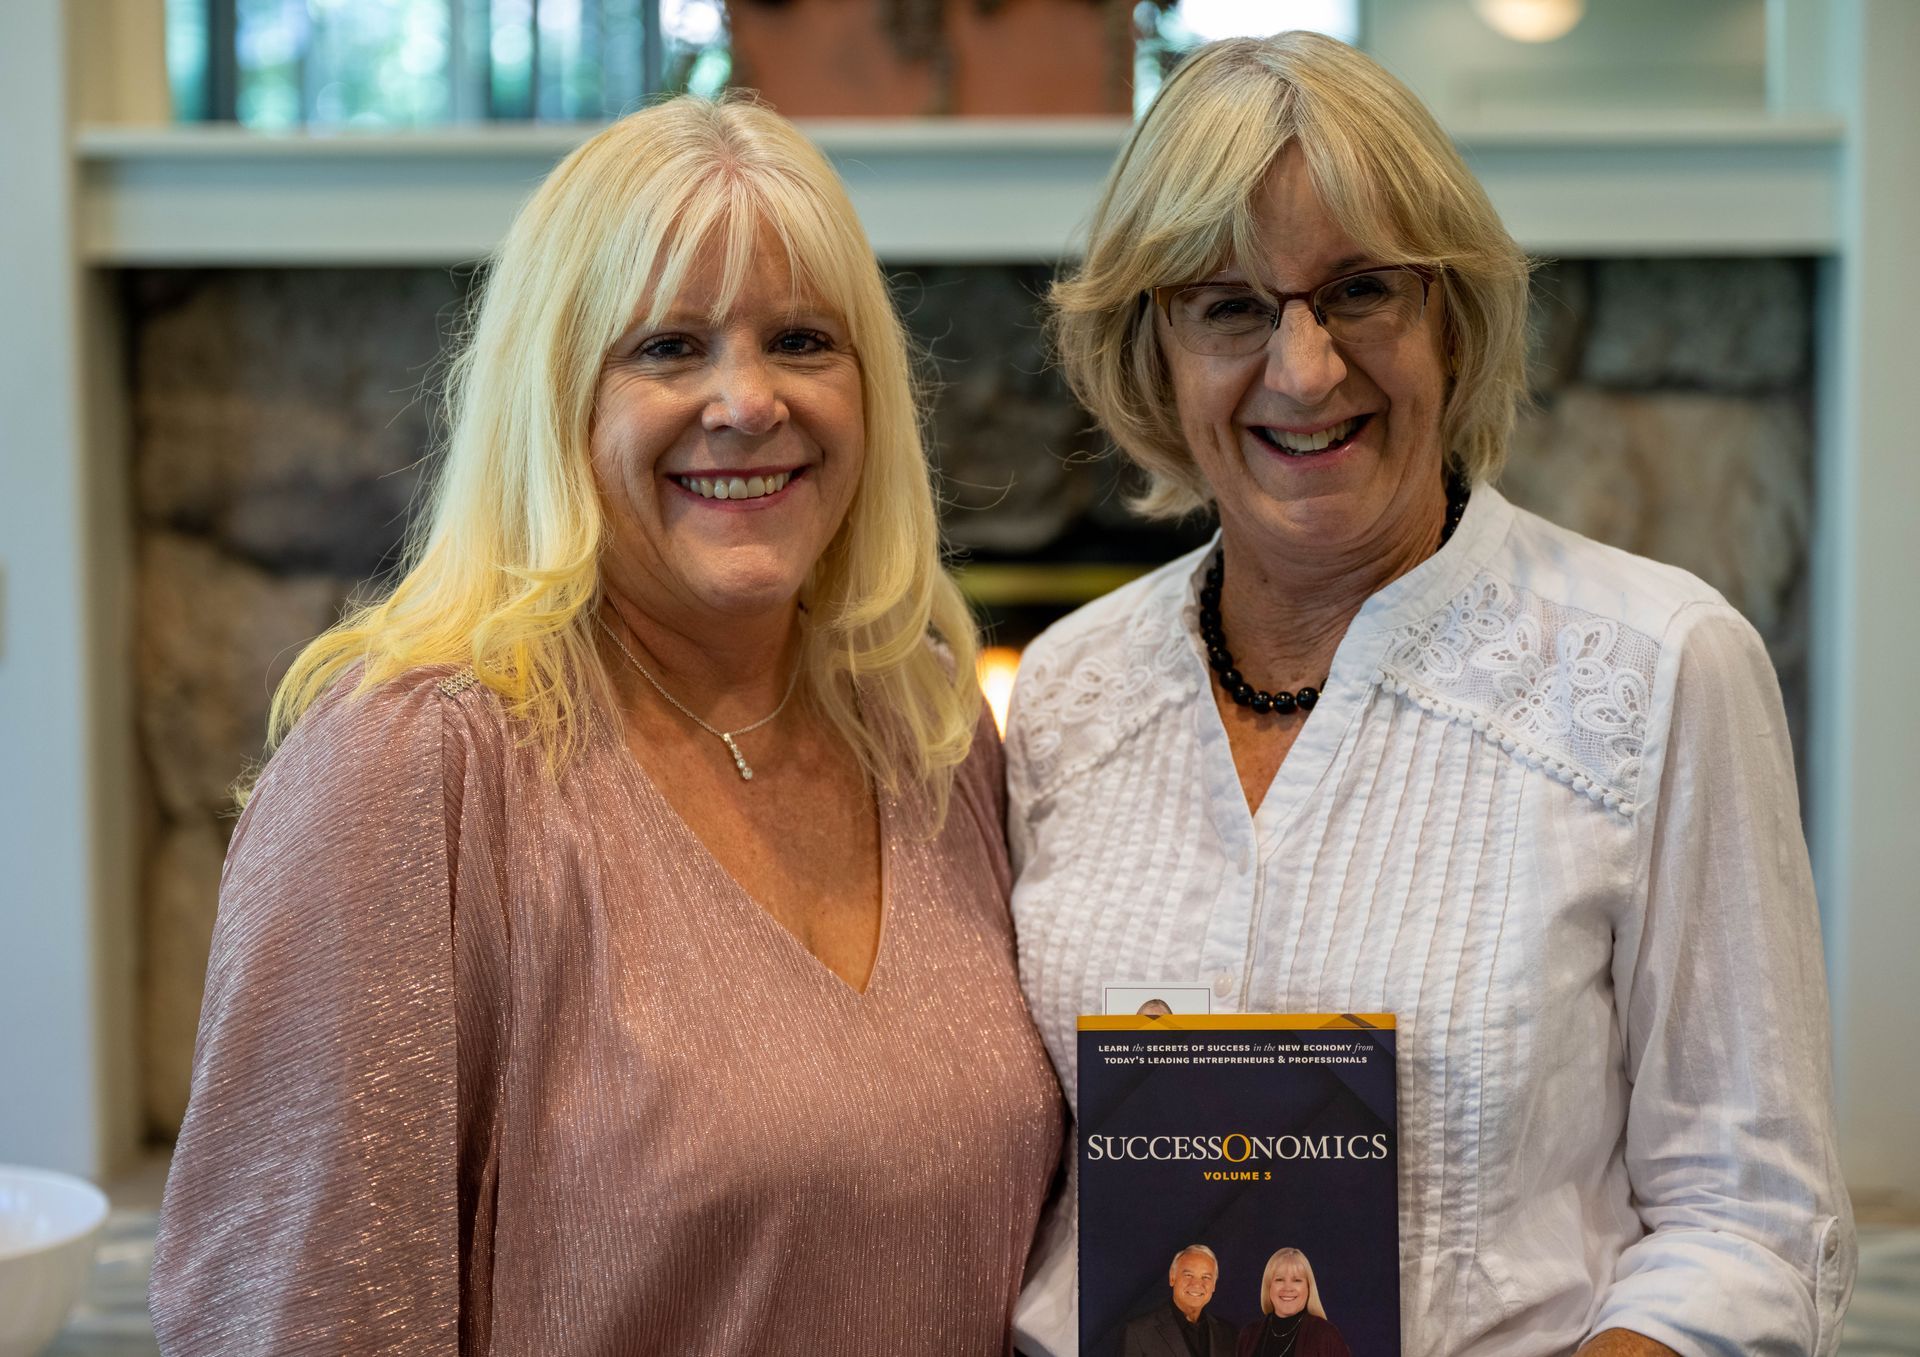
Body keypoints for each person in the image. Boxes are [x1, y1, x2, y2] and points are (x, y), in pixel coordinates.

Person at [149, 95, 1064, 1354]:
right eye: (669, 349)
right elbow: (297, 1317)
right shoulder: (419, 766)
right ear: (555, 398)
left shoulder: (922, 721)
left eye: (802, 339)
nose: (746, 402)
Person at [1007, 32, 1854, 1357]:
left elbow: (1752, 1221)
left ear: (1451, 317)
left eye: (1359, 292)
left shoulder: (1662, 667)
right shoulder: (1064, 694)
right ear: (1153, 351)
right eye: (1228, 305)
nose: (1304, 368)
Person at [1123, 1246, 1236, 1357]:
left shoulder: (1229, 1334)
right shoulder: (1139, 1333)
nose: (1197, 1284)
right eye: (1188, 1275)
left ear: (1214, 1285)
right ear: (1172, 1278)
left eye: (1206, 1277)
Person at [1237, 1249, 1349, 1357]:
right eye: (1279, 1280)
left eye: (1297, 1280)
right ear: (1268, 1287)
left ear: (1308, 1288)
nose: (1288, 1288)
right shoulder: (1249, 1335)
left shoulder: (1325, 1335)